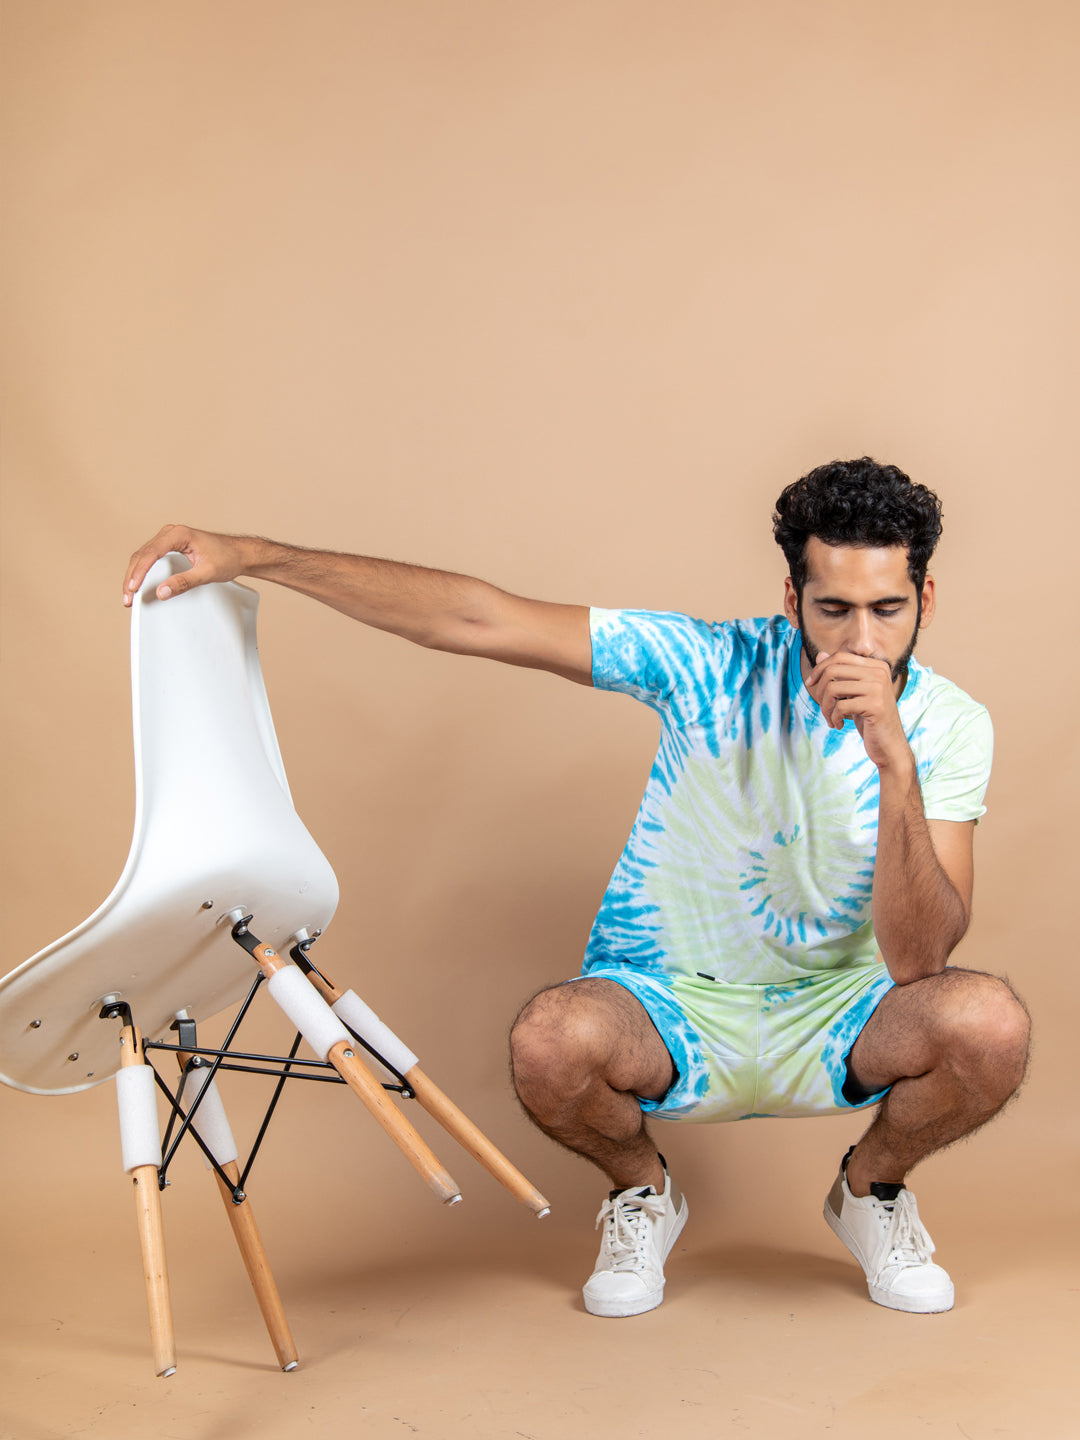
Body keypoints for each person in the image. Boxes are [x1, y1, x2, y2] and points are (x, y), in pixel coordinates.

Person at [123, 457, 1029, 1319]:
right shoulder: (709, 664)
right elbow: (480, 618)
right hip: (669, 1003)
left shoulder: (950, 725)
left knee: (988, 1024)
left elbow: (920, 960)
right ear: (791, 598)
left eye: (886, 609)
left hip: (838, 1012)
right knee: (551, 1042)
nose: (860, 641)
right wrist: (259, 559)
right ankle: (643, 1195)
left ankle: (871, 1193)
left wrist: (896, 769)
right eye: (833, 609)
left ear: (926, 601)